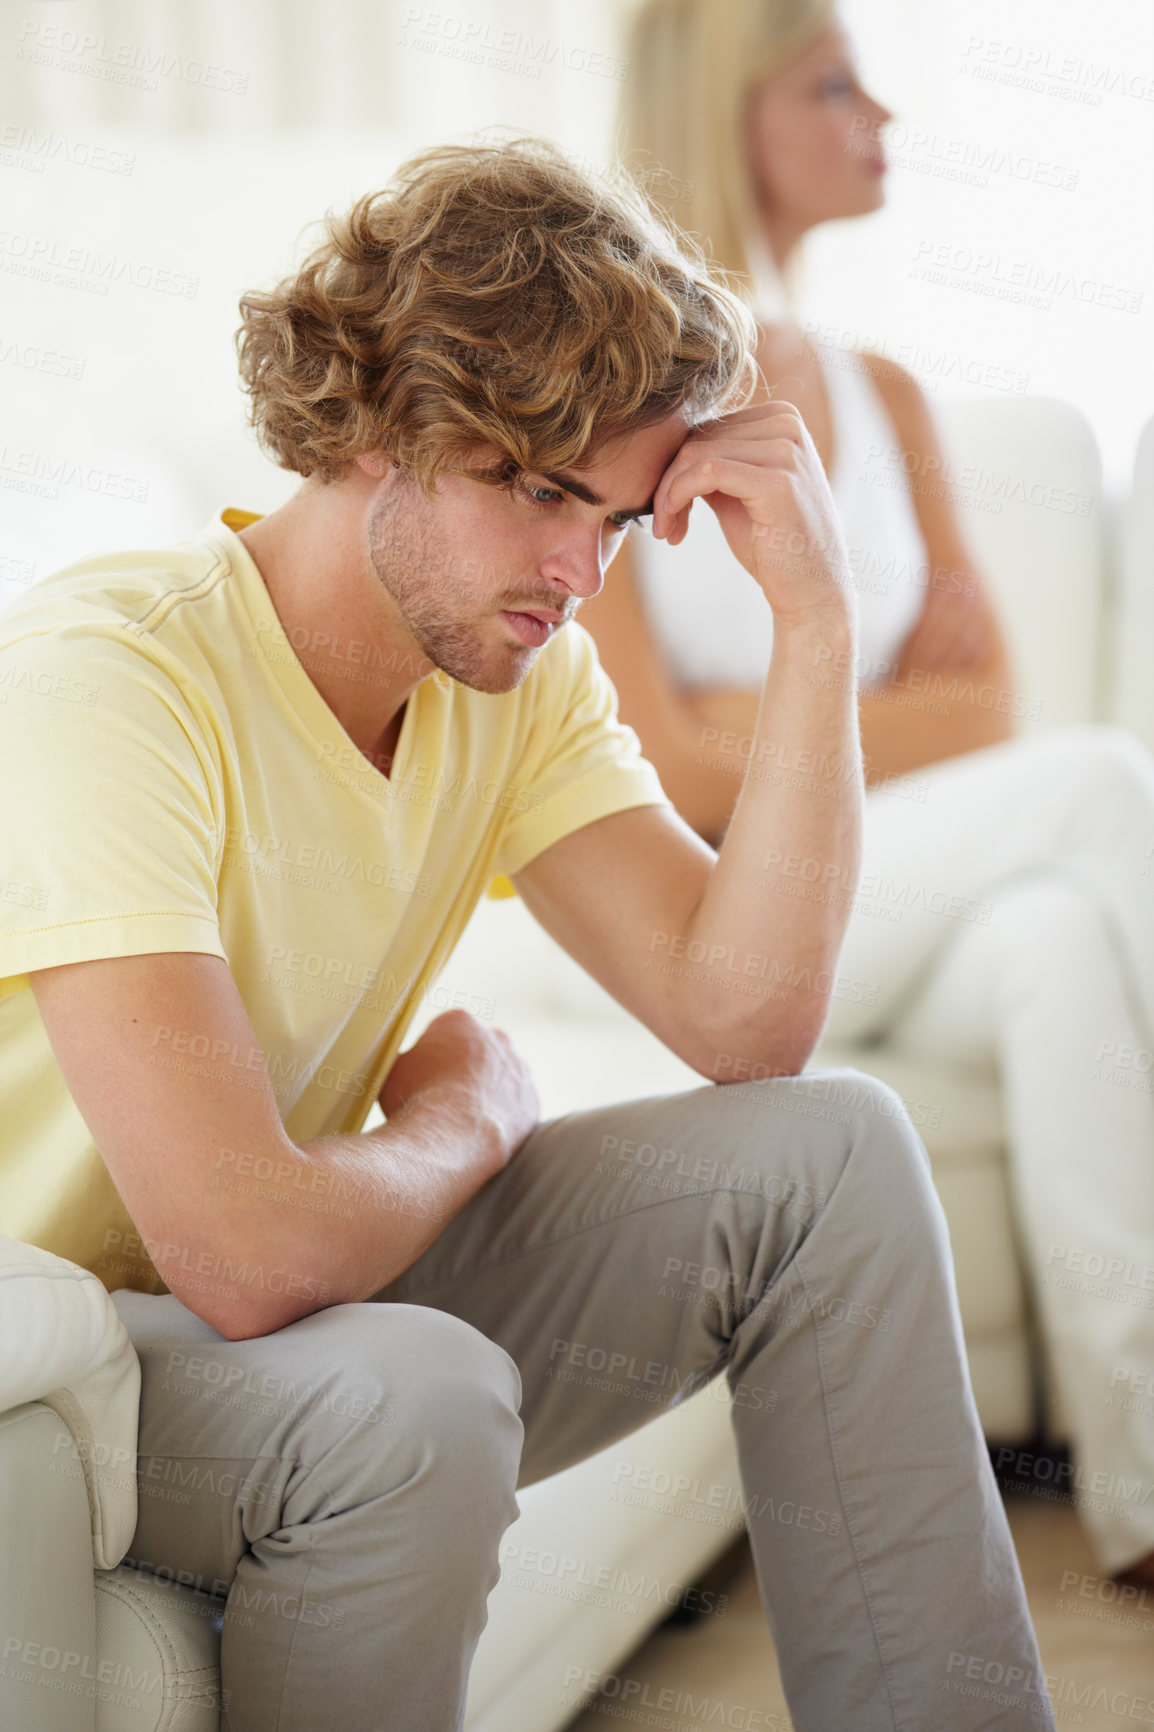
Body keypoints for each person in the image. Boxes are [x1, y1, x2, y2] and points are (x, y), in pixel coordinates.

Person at [0, 136, 1054, 1731]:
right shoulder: (116, 676)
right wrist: (468, 1120)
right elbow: (244, 1249)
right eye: (535, 490)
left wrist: (817, 622)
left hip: (274, 1291)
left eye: (619, 518)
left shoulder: (518, 681)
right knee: (414, 1395)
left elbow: (743, 1024)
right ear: (376, 421)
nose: (578, 572)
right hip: (55, 1345)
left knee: (832, 1149)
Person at [584, 0, 1154, 1586]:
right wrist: (861, 688)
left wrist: (756, 705)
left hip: (880, 905)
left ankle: (1146, 1500)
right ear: (726, 110)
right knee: (1104, 789)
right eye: (832, 84)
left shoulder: (888, 396)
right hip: (705, 907)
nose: (880, 115)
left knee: (1053, 935)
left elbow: (991, 710)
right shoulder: (609, 393)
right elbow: (656, 761)